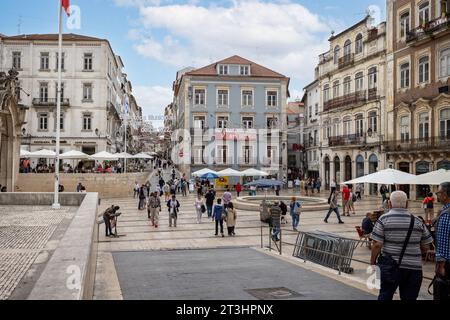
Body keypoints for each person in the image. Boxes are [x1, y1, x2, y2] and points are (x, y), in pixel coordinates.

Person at [370, 191, 433, 301]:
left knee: (385, 296)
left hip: (390, 267)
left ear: (389, 204)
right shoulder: (418, 221)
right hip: (413, 269)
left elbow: (377, 245)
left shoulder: (383, 219)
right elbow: (426, 247)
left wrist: (372, 262)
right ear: (407, 204)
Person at [434, 182, 450, 300]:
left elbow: (443, 242)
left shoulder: (446, 215)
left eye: (438, 193)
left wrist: (441, 265)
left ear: (444, 195)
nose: (437, 196)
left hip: (447, 265)